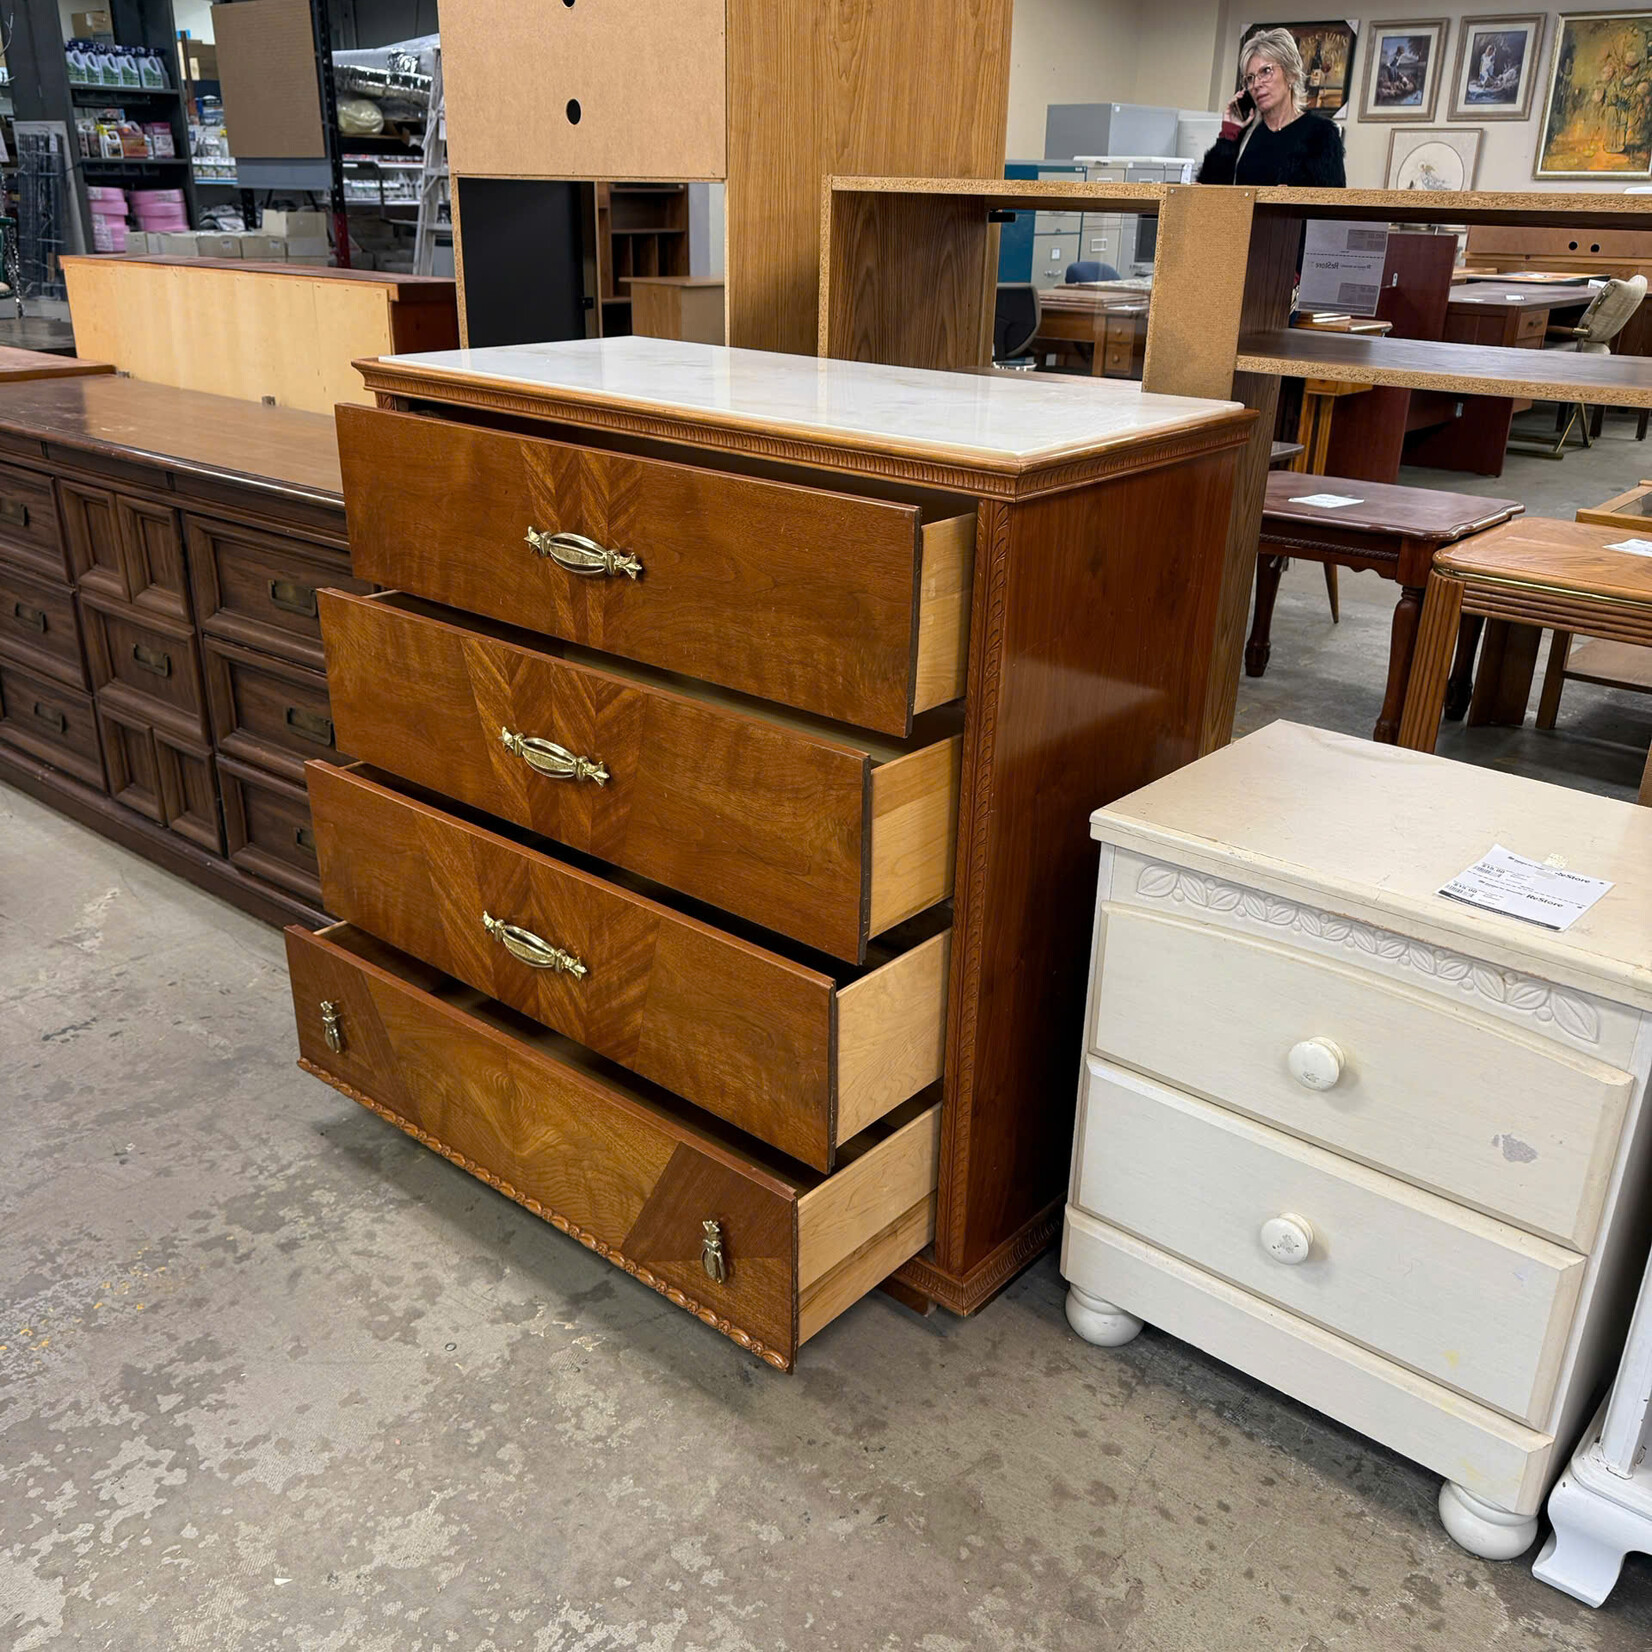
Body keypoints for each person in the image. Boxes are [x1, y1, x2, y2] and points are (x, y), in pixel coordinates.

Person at [1198, 29, 1347, 187]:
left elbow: (1333, 204)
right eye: (1250, 78)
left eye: (1266, 71)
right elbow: (1210, 197)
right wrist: (1229, 136)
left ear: (1290, 74)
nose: (1256, 84)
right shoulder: (1245, 134)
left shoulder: (1321, 134)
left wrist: (1289, 200)